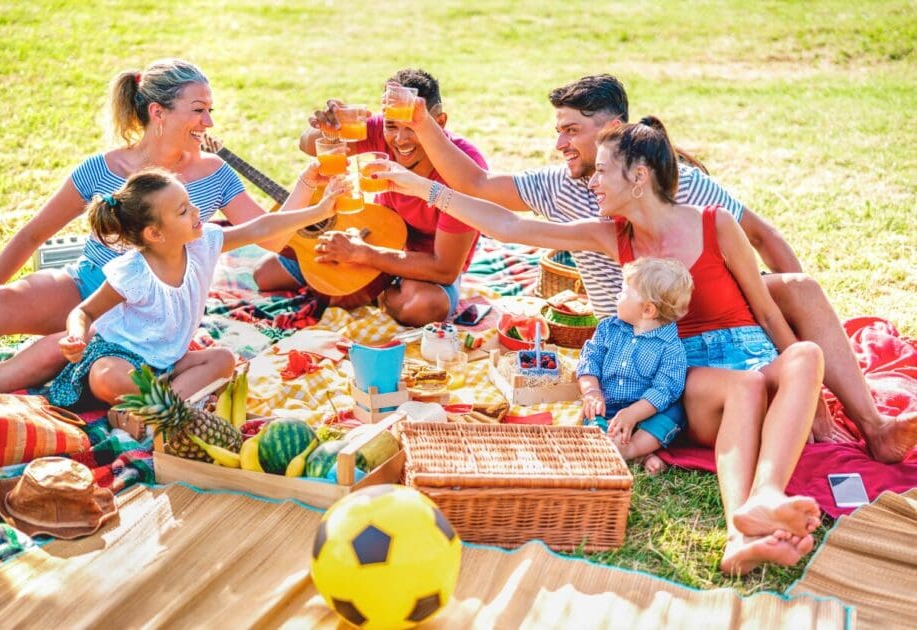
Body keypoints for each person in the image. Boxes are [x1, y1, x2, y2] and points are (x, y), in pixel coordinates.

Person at [370, 118, 830, 575]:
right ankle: (740, 533)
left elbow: (768, 313)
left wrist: (815, 401)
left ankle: (765, 498)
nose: (592, 182)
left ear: (638, 177)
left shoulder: (716, 223)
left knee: (805, 355)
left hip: (756, 358)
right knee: (747, 385)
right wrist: (422, 188)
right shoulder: (610, 235)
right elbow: (510, 227)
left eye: (602, 171)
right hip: (704, 384)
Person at [397, 73, 917, 462]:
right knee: (759, 355)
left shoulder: (681, 187)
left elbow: (759, 236)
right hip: (647, 324)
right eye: (558, 131)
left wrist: (804, 345)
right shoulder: (574, 197)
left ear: (619, 140)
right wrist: (420, 163)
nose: (559, 144)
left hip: (716, 309)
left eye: (571, 131)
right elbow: (492, 204)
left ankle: (871, 424)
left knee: (800, 290)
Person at [0, 59, 289, 394]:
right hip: (89, 284)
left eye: (209, 110)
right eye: (199, 110)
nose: (209, 122)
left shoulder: (216, 174)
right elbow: (33, 234)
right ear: (158, 112)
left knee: (53, 351)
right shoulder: (102, 168)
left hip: (146, 316)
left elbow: (273, 238)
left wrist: (311, 186)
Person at [49, 165, 345, 406]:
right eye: (182, 211)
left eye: (190, 203)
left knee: (223, 360)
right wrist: (76, 336)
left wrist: (319, 212)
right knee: (105, 376)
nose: (196, 212)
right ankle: (174, 405)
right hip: (121, 359)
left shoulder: (204, 244)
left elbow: (260, 227)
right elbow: (84, 313)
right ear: (154, 233)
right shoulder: (133, 273)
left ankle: (155, 411)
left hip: (168, 364)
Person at [252, 68, 486, 326]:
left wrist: (362, 254)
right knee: (265, 274)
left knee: (424, 307)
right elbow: (308, 145)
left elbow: (445, 268)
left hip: (421, 266)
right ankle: (359, 285)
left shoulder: (463, 169)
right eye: (392, 126)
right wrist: (328, 130)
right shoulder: (377, 130)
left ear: (439, 123)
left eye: (412, 127)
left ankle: (374, 293)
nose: (400, 139)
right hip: (372, 233)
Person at [577, 258, 693, 475]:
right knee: (592, 413)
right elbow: (589, 359)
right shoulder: (608, 328)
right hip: (608, 403)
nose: (617, 296)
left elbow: (664, 390)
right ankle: (613, 442)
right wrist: (592, 391)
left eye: (623, 292)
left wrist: (633, 414)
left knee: (675, 413)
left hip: (647, 410)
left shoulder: (671, 348)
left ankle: (631, 449)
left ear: (648, 310)